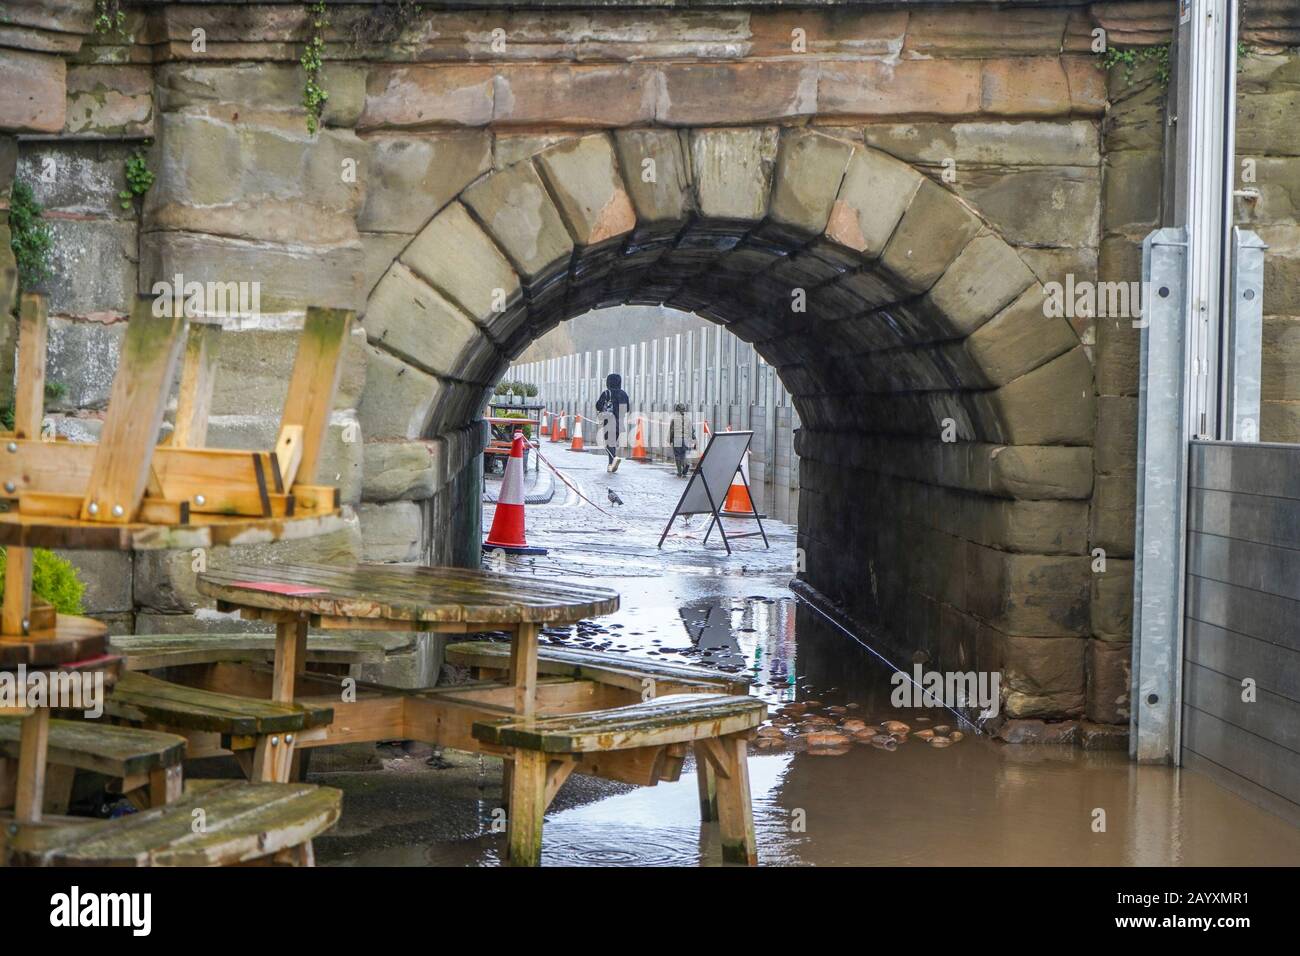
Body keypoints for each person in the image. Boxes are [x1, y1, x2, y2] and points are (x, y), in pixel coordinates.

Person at [595, 372, 630, 473]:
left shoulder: (606, 393)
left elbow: (598, 406)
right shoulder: (624, 394)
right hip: (620, 422)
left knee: (609, 444)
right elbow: (627, 409)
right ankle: (611, 464)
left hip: (609, 421)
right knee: (612, 443)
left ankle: (614, 460)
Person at [667, 402, 695, 477]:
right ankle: (686, 466)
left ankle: (680, 472)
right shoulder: (688, 419)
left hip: (677, 439)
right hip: (686, 439)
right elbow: (691, 430)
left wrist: (669, 439)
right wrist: (694, 438)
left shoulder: (674, 419)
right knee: (683, 454)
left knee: (678, 455)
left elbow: (672, 431)